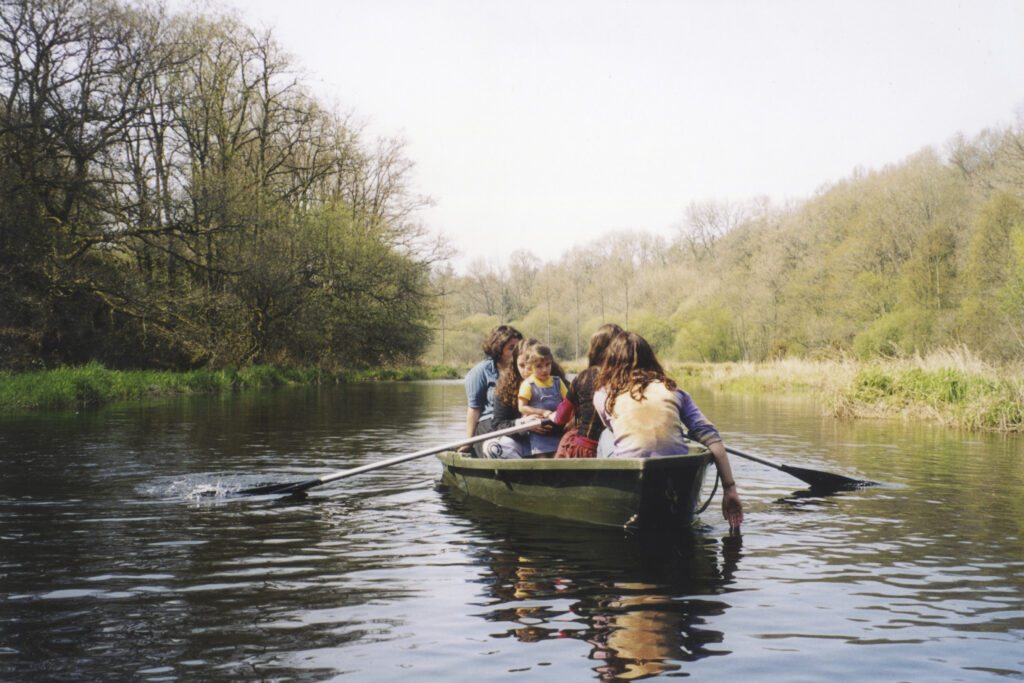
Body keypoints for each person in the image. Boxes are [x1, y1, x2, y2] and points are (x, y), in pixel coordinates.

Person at [593, 331, 744, 529]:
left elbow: (613, 428)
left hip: (628, 471)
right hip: (675, 472)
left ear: (611, 362)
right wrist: (729, 490)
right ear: (650, 359)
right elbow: (712, 439)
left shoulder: (604, 394)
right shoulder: (673, 390)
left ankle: (606, 496)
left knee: (605, 434)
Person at [551, 323, 624, 458]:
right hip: (617, 446)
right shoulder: (625, 376)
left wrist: (550, 416)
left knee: (567, 439)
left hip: (586, 448)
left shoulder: (583, 377)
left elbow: (561, 417)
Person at [461, 325, 522, 456]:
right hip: (489, 423)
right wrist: (468, 441)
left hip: (518, 422)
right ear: (498, 349)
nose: (517, 352)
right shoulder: (482, 371)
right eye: (511, 348)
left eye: (519, 347)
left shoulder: (524, 368)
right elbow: (474, 408)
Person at [517, 343, 567, 455]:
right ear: (530, 367)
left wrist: (572, 419)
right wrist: (543, 412)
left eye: (547, 364)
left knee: (559, 458)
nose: (544, 369)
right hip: (539, 432)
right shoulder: (528, 384)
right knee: (542, 462)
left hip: (558, 430)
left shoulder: (557, 382)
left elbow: (569, 402)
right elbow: (522, 407)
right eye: (539, 366)